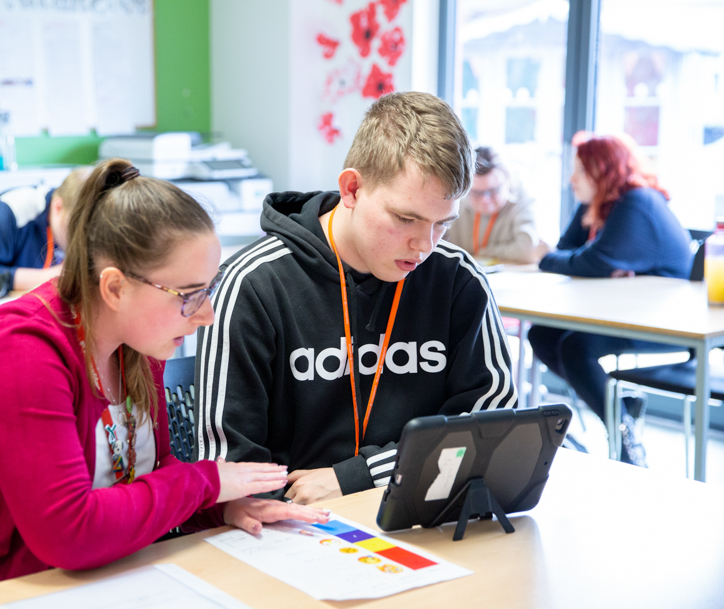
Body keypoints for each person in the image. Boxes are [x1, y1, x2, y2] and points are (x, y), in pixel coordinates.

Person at [0, 159, 328, 608]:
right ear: (114, 288)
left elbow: (149, 469)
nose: (205, 315)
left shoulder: (138, 342)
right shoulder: (20, 353)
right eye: (189, 296)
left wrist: (220, 508)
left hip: (70, 580)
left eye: (208, 289)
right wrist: (203, 483)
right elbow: (69, 535)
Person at [194, 92, 517, 506]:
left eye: (443, 225)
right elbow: (226, 466)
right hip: (289, 523)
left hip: (419, 514)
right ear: (352, 188)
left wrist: (359, 476)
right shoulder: (252, 284)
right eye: (406, 219)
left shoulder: (458, 279)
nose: (424, 246)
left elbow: (488, 430)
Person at [528, 132, 693, 466]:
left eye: (580, 170)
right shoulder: (598, 203)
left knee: (575, 347)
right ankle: (619, 406)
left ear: (602, 170)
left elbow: (588, 262)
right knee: (541, 334)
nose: (571, 179)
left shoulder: (638, 201)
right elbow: (569, 254)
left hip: (670, 324)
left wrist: (576, 261)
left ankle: (623, 433)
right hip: (625, 314)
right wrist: (583, 261)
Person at [0, 166, 91, 291]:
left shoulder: (70, 214)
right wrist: (51, 276)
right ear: (58, 206)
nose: (83, 238)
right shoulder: (7, 211)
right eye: (77, 227)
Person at [444, 146, 548, 263]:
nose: (485, 200)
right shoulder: (455, 200)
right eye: (476, 193)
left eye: (493, 191)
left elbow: (526, 250)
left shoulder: (523, 198)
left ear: (508, 182)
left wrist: (482, 253)